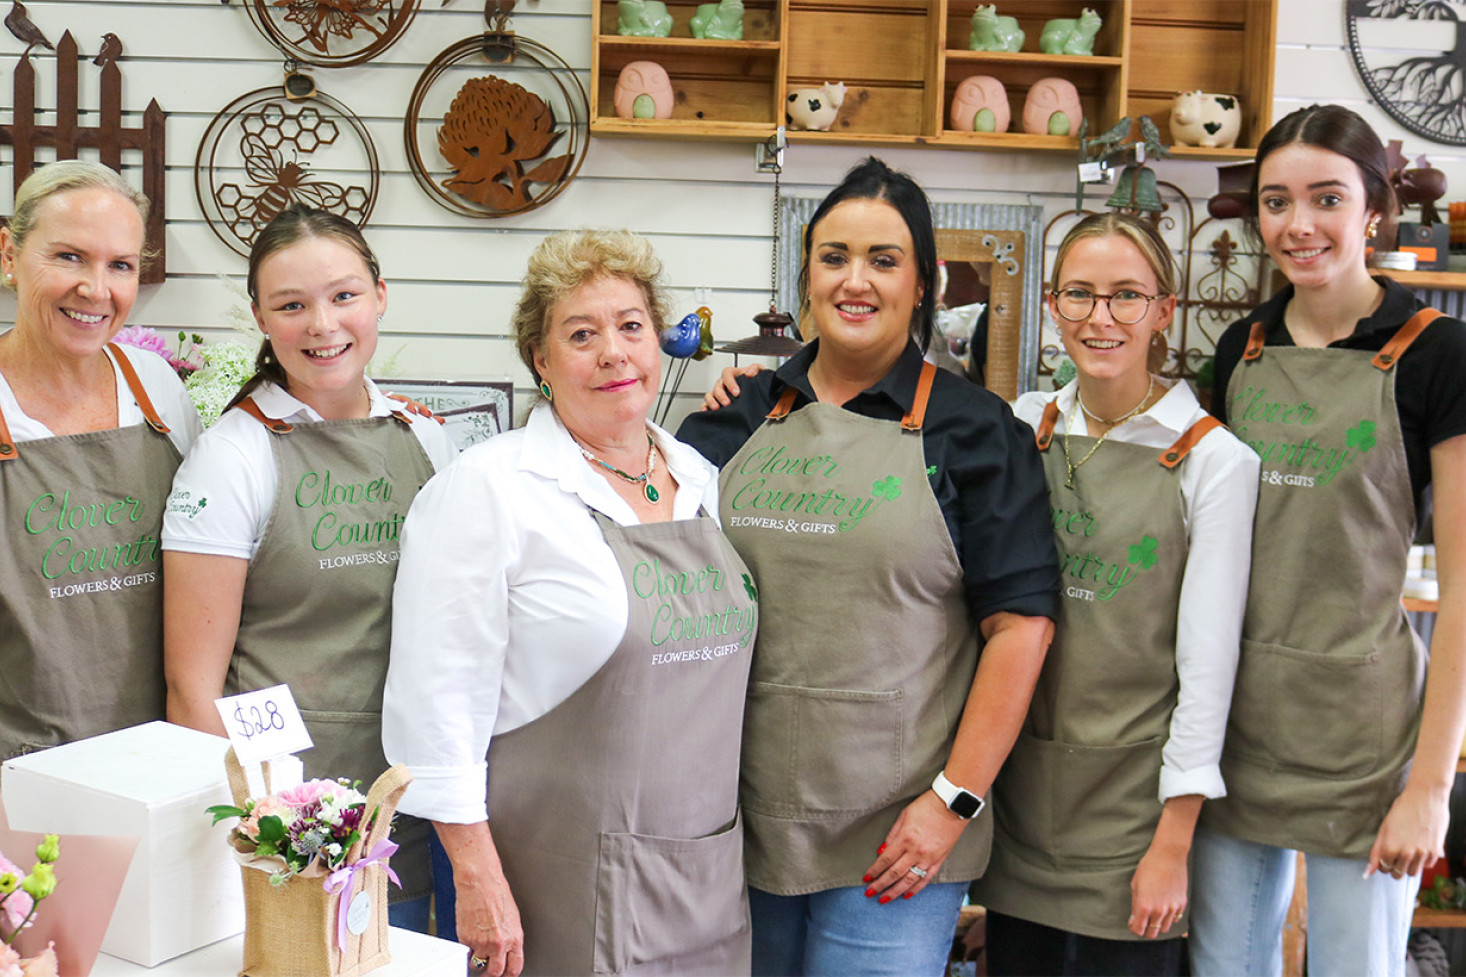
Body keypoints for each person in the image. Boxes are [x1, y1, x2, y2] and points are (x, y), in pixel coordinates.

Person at [678, 156, 1058, 976]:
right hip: (735, 824)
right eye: (835, 256)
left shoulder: (979, 434)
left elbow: (1020, 630)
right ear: (807, 276)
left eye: (885, 259)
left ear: (923, 284)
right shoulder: (731, 420)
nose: (857, 280)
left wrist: (952, 801)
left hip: (897, 837)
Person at [382, 228, 759, 977]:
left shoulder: (702, 478)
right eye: (581, 335)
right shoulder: (489, 488)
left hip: (707, 872)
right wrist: (479, 881)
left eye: (631, 327)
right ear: (542, 362)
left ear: (659, 343)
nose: (613, 352)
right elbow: (435, 708)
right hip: (555, 870)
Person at [1189, 104, 1466, 976]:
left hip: (1365, 736)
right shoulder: (1243, 348)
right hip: (1239, 725)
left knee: (1357, 964)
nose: (1297, 225)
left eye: (1326, 198)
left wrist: (1430, 788)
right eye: (1276, 201)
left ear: (1374, 209)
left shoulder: (1437, 354)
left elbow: (1463, 587)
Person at [966, 212, 1258, 975]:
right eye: (1081, 295)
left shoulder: (1213, 460)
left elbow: (1208, 664)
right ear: (1052, 306)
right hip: (1020, 803)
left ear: (1164, 309)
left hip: (1134, 816)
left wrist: (1173, 842)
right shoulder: (1019, 425)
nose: (1101, 318)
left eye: (1127, 295)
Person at [161, 205, 455, 929]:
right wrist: (252, 841)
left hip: (408, 814)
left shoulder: (426, 438)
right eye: (292, 305)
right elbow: (192, 691)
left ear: (380, 296)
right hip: (285, 835)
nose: (322, 324)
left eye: (344, 296)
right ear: (261, 317)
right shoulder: (233, 457)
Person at [0, 159, 201, 760]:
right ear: (8, 254)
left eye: (120, 265)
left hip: (156, 751)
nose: (96, 290)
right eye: (68, 257)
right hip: (19, 764)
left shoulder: (158, 387)